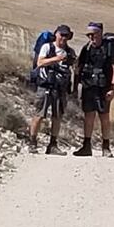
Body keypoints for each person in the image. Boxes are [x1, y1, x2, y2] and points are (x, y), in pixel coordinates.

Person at [73, 21, 114, 157]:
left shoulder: (109, 47)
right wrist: (75, 85)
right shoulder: (87, 48)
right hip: (89, 86)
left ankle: (106, 147)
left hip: (104, 87)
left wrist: (112, 88)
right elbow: (79, 67)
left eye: (93, 34)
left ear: (100, 33)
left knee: (104, 117)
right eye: (89, 35)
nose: (91, 37)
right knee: (88, 116)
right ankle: (86, 146)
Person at [27, 25, 75, 153]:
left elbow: (74, 68)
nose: (63, 38)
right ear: (56, 34)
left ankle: (53, 145)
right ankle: (32, 142)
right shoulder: (47, 47)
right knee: (39, 115)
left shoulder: (70, 52)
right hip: (45, 86)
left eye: (66, 36)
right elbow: (40, 62)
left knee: (57, 117)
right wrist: (57, 59)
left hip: (60, 88)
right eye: (61, 35)